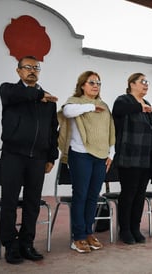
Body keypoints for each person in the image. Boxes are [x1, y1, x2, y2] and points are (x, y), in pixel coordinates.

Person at [0, 55, 58, 264]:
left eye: (36, 67)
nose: (32, 70)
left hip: (38, 158)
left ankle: (27, 244)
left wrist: (52, 156)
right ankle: (10, 245)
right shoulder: (8, 90)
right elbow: (18, 94)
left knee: (32, 204)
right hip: (13, 155)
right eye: (27, 67)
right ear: (18, 71)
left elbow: (53, 131)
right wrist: (38, 94)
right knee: (10, 202)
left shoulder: (47, 100)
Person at [58, 71, 115, 253]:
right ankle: (78, 237)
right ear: (82, 84)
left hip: (100, 156)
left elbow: (110, 130)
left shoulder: (104, 105)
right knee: (80, 195)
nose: (96, 85)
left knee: (93, 196)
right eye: (91, 82)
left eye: (98, 82)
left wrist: (110, 153)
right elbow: (66, 112)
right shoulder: (75, 102)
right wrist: (90, 107)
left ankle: (88, 233)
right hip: (80, 154)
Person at [112, 73, 152, 244]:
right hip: (129, 156)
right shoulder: (123, 100)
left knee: (140, 195)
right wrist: (139, 108)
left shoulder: (147, 104)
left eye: (147, 82)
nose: (146, 85)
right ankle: (124, 230)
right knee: (129, 193)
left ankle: (135, 227)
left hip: (145, 158)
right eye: (142, 82)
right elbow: (118, 111)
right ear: (132, 84)